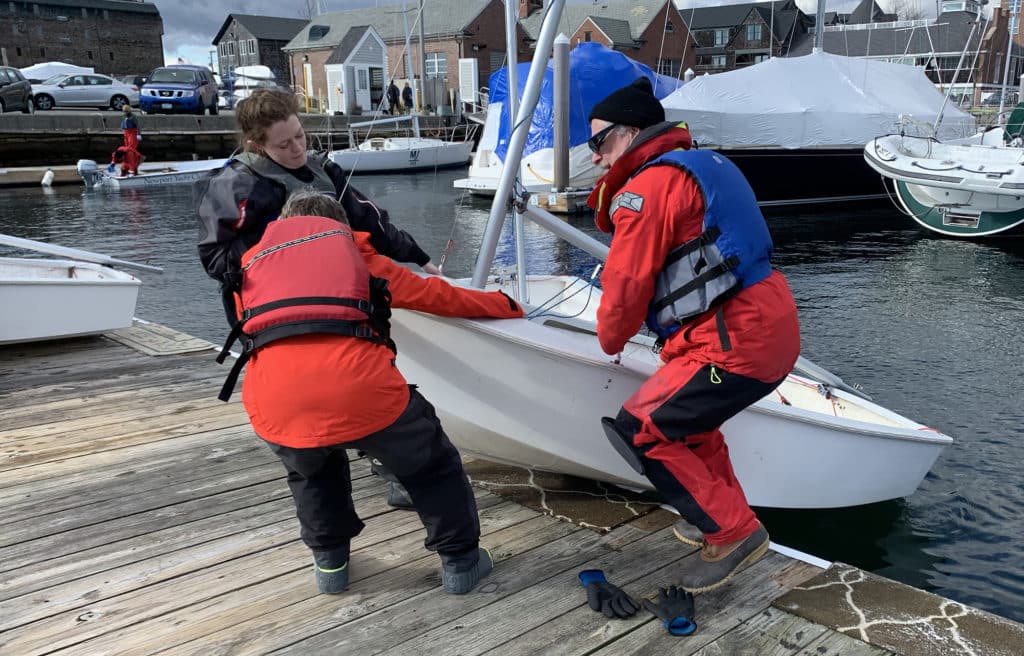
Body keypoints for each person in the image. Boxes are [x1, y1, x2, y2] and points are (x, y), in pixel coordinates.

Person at [216, 189, 524, 595]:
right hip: (362, 392)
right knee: (432, 466)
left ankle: (330, 570)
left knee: (312, 472)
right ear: (341, 226)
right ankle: (461, 565)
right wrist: (506, 305)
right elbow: (437, 296)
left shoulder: (250, 266)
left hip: (275, 401)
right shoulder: (359, 258)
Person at [587, 78, 801, 593]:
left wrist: (610, 339)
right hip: (766, 325)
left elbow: (627, 283)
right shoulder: (705, 164)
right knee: (688, 427)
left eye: (600, 142)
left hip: (734, 340)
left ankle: (732, 532)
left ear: (632, 132)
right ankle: (721, 515)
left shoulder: (645, 189)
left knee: (641, 429)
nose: (594, 158)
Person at [195, 88, 440, 507]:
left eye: (299, 137)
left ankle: (394, 470)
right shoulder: (233, 186)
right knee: (303, 391)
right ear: (257, 145)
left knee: (368, 377)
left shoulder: (324, 172)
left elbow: (370, 220)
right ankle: (317, 462)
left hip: (341, 302)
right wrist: (281, 249)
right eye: (283, 144)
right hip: (273, 310)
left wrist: (419, 257)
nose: (296, 149)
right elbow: (215, 256)